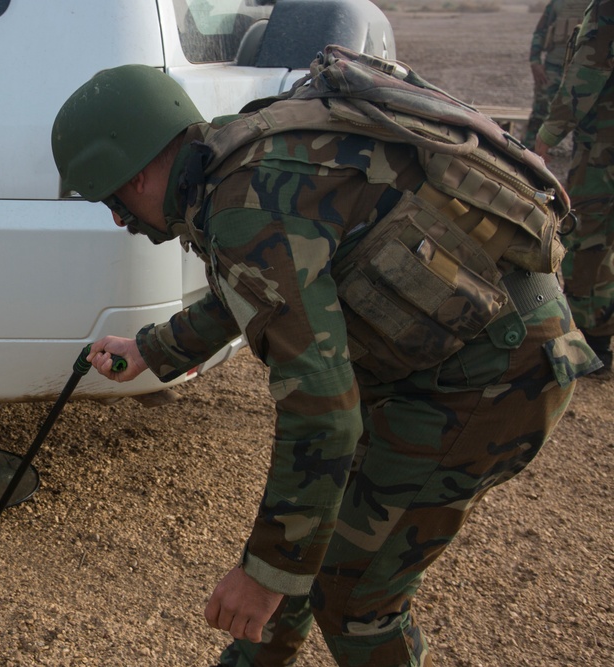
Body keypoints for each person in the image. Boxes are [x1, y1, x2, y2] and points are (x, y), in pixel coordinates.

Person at [52, 62, 600, 667]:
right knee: (310, 526)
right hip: (463, 340)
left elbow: (325, 416)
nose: (118, 220)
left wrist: (261, 576)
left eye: (113, 200)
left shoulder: (242, 201)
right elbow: (273, 282)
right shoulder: (239, 153)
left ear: (136, 175)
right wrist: (153, 349)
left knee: (351, 597)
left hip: (493, 374)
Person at [534, 0, 614, 374]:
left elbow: (586, 77)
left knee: (589, 241)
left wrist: (546, 139)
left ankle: (593, 344)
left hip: (603, 148)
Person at [524, 0, 591, 145]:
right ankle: (527, 154)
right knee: (540, 113)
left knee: (587, 118)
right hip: (553, 68)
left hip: (585, 72)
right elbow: (540, 31)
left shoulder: (600, 5)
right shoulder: (557, 3)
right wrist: (534, 61)